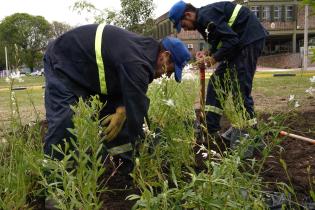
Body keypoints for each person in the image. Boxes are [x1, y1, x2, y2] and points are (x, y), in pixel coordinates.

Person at [43, 24, 191, 175]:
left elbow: (126, 89)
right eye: (171, 70)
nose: (167, 75)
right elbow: (137, 115)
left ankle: (128, 166)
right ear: (164, 56)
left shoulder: (143, 55)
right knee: (64, 120)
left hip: (91, 72)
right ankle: (55, 184)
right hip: (62, 59)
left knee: (119, 117)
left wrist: (121, 107)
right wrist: (148, 149)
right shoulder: (138, 62)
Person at [168, 1, 268, 145]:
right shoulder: (203, 22)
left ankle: (253, 136)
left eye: (183, 25)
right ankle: (211, 129)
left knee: (239, 89)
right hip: (238, 42)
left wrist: (213, 59)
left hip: (248, 39)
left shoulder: (205, 17)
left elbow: (231, 41)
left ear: (188, 15)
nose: (186, 29)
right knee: (216, 83)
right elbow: (220, 41)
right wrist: (207, 53)